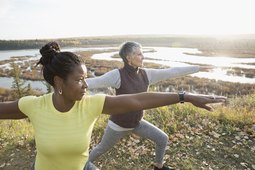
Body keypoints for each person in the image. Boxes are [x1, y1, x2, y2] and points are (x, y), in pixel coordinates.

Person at [0, 42, 226, 170]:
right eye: (80, 80)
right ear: (59, 82)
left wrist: (185, 95)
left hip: (84, 165)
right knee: (99, 151)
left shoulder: (90, 104)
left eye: (86, 78)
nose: (86, 85)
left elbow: (138, 100)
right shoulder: (33, 105)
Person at [86, 41, 213, 170]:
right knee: (100, 149)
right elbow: (93, 82)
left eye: (142, 53)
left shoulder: (146, 74)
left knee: (162, 138)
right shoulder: (117, 75)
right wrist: (66, 87)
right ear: (128, 58)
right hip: (118, 126)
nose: (143, 57)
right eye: (139, 54)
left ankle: (158, 166)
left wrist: (197, 68)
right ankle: (80, 165)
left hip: (137, 123)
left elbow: (171, 72)